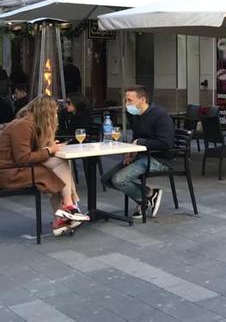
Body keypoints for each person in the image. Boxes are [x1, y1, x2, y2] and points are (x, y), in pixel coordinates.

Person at [0, 96, 90, 236]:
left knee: (58, 164)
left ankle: (66, 211)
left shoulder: (28, 124)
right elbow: (23, 158)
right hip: (9, 172)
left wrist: (49, 147)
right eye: (54, 112)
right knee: (54, 169)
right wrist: (48, 150)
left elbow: (31, 152)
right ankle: (66, 211)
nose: (56, 115)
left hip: (14, 167)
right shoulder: (22, 125)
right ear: (46, 113)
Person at [101, 86, 174, 219]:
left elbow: (166, 143)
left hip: (160, 158)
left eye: (130, 100)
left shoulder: (160, 116)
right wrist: (131, 153)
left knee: (119, 179)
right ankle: (148, 195)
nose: (127, 104)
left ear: (142, 100)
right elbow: (136, 138)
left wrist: (140, 142)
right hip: (141, 156)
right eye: (126, 100)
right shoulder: (135, 115)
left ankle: (145, 199)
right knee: (106, 179)